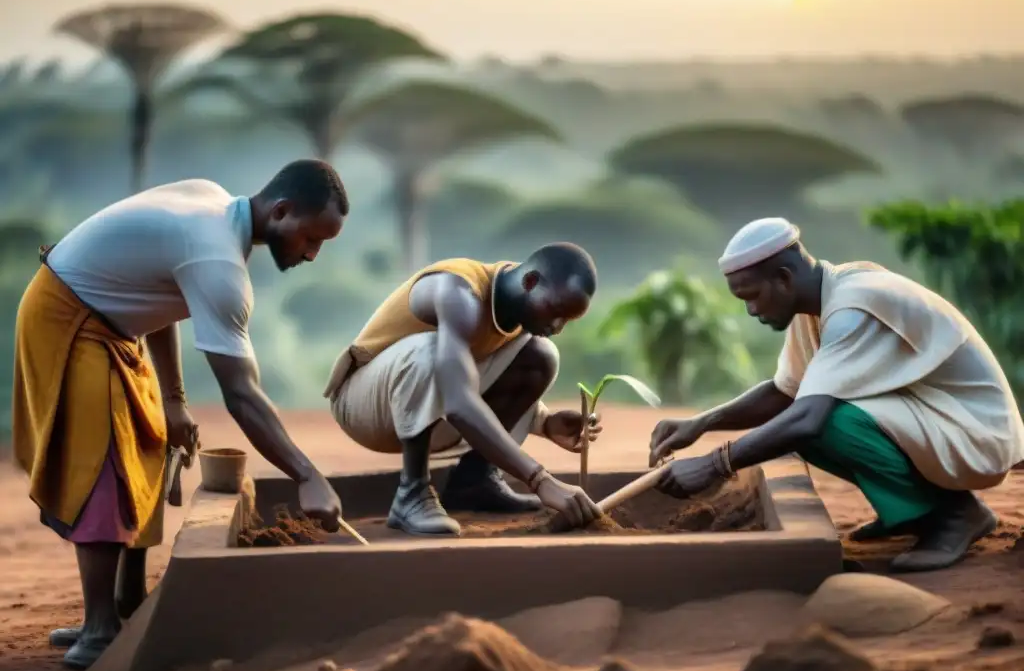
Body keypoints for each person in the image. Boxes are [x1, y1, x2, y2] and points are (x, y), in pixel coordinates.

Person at [11, 159, 349, 670]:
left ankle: (126, 602)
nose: (312, 254)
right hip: (68, 317)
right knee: (105, 465)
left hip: (117, 327)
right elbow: (242, 395)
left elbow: (157, 292)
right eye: (311, 239)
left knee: (152, 445)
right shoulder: (217, 260)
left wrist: (173, 399)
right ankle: (99, 628)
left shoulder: (211, 202)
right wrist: (308, 475)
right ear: (281, 212)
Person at [648, 217, 1024, 573]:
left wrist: (717, 464)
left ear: (783, 278)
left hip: (977, 431)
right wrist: (702, 423)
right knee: (802, 418)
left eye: (753, 296)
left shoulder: (853, 306)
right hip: (939, 419)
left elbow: (807, 416)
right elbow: (785, 391)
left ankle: (954, 515)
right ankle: (914, 510)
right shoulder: (816, 304)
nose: (750, 310)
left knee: (823, 421)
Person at [323, 242, 604, 537]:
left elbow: (468, 374)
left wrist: (544, 423)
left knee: (541, 354)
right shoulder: (459, 295)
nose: (558, 326)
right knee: (431, 350)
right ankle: (412, 492)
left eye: (567, 320)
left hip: (425, 405)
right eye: (556, 311)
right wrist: (541, 480)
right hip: (362, 407)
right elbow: (458, 400)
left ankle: (474, 482)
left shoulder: (521, 304)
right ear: (530, 282)